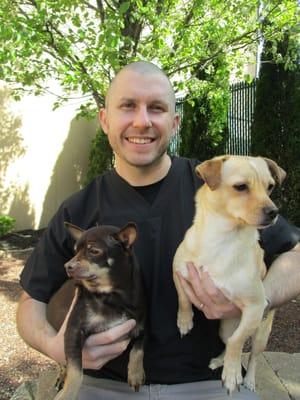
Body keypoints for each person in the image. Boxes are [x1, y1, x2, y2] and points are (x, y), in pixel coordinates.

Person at [16, 61, 300, 400]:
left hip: (210, 383)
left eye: (157, 108)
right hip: (101, 385)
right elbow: (31, 300)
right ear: (105, 119)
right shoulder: (78, 208)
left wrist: (258, 297)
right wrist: (54, 346)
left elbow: (295, 255)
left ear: (174, 122)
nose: (142, 121)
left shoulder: (221, 187)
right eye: (127, 106)